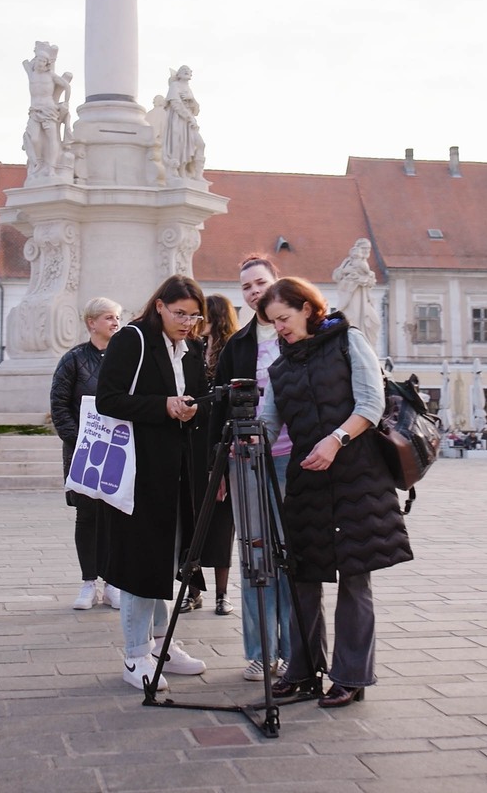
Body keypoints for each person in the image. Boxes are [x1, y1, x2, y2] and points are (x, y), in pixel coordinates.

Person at [256, 277, 410, 709]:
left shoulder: (348, 340)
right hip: (308, 480)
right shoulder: (279, 366)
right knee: (303, 576)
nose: (279, 329)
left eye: (283, 318)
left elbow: (370, 403)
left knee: (354, 578)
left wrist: (335, 439)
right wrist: (247, 442)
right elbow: (269, 423)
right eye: (272, 324)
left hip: (357, 476)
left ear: (307, 308)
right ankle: (302, 670)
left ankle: (350, 676)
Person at [95, 274, 212, 692]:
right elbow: (107, 399)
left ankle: (161, 645)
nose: (187, 322)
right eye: (180, 313)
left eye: (194, 316)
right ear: (159, 306)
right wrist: (163, 406)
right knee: (141, 561)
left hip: (177, 469)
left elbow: (198, 397)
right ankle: (134, 654)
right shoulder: (133, 339)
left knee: (164, 560)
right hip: (138, 470)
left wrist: (194, 409)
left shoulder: (192, 347)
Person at [213, 255, 298, 681]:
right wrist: (221, 466)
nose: (253, 291)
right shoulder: (238, 345)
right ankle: (261, 650)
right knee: (255, 552)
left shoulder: (297, 335)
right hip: (246, 459)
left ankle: (292, 649)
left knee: (290, 553)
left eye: (260, 282)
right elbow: (222, 405)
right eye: (246, 286)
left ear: (276, 283)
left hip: (290, 457)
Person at [50, 297, 125, 611]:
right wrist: (79, 440)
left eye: (117, 318)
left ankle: (112, 584)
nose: (115, 323)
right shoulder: (74, 360)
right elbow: (59, 406)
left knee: (115, 518)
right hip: (84, 452)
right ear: (91, 322)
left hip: (119, 451)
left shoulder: (125, 358)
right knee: (88, 517)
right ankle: (87, 583)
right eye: (109, 317)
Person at [176, 291, 238, 616]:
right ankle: (193, 589)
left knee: (220, 525)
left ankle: (222, 594)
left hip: (220, 445)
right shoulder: (193, 350)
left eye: (201, 315)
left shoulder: (231, 352)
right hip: (192, 446)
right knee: (190, 520)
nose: (195, 321)